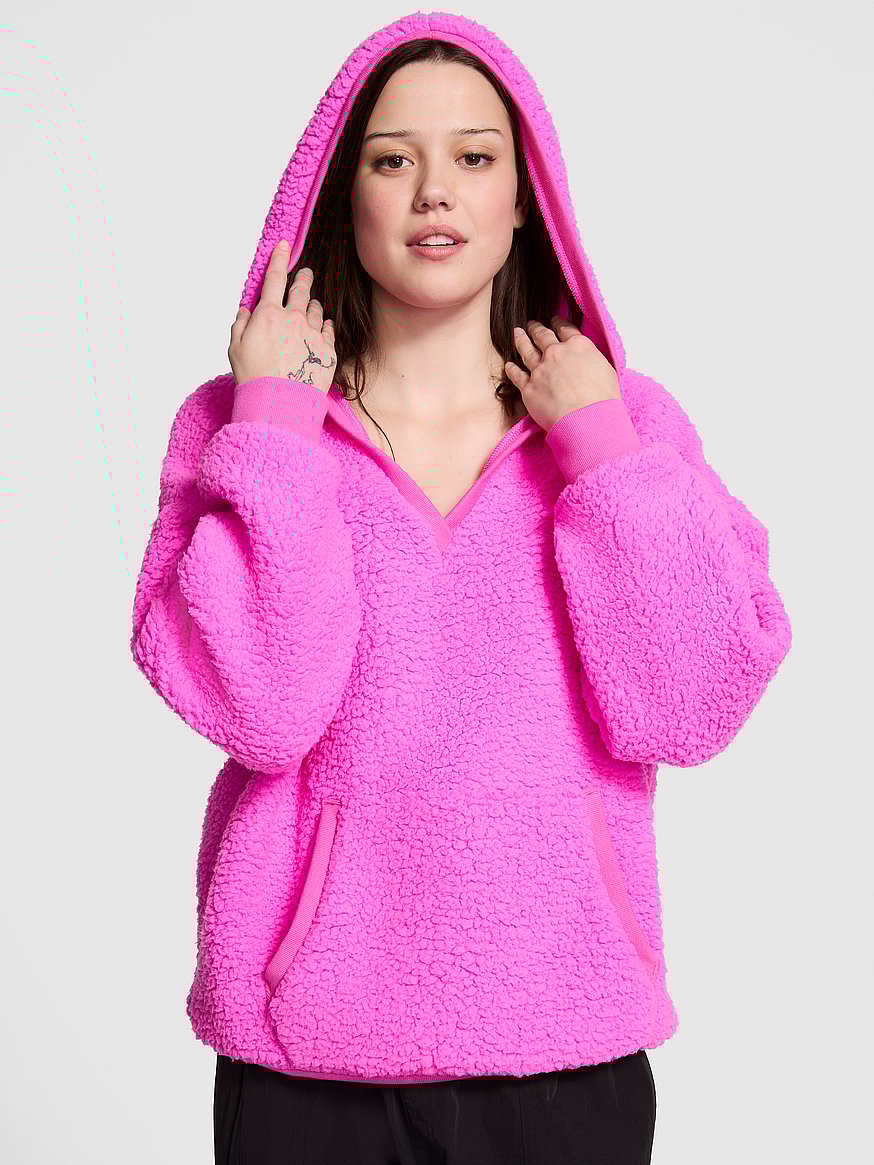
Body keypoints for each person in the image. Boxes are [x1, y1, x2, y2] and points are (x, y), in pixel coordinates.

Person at [130, 12, 792, 1164]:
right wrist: (276, 427)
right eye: (393, 159)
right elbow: (259, 708)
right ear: (342, 193)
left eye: (474, 157)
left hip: (563, 1045)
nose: (435, 190)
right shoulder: (244, 425)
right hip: (305, 1059)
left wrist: (599, 452)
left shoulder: (628, 426)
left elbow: (688, 706)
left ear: (526, 195)